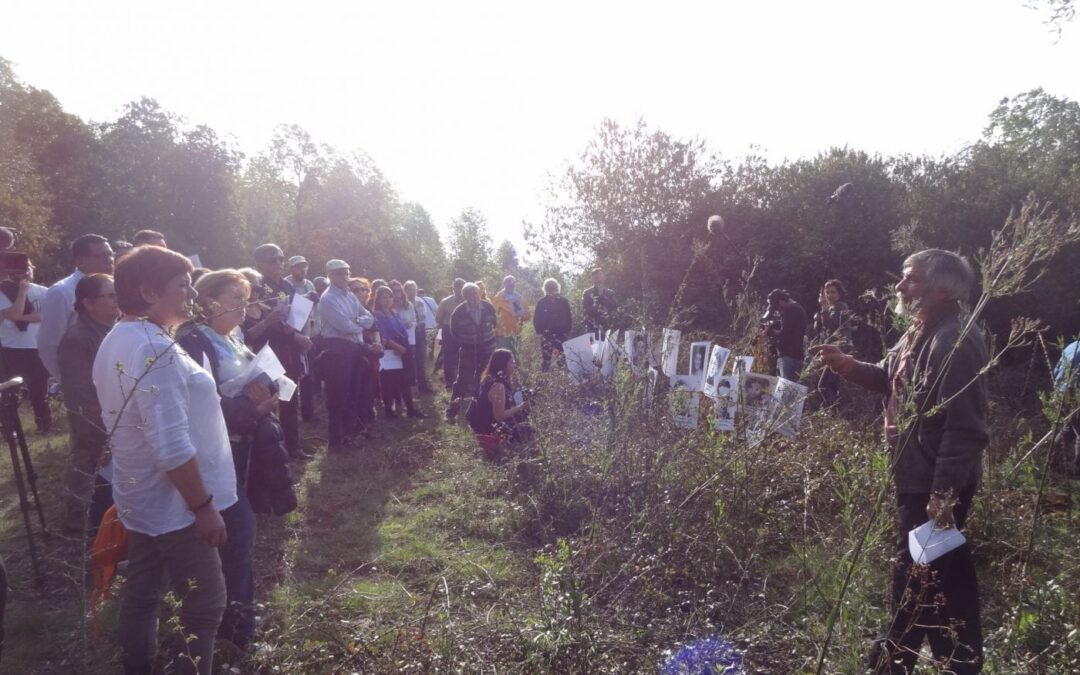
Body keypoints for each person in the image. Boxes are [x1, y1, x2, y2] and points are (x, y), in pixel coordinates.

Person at [813, 249, 988, 675]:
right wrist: (849, 365)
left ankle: (908, 663)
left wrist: (942, 494)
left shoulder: (954, 341)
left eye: (910, 279)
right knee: (929, 577)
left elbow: (964, 429)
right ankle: (932, 661)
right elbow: (890, 376)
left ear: (941, 289)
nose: (899, 286)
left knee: (920, 579)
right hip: (916, 477)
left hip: (934, 483)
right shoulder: (919, 332)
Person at [92, 246, 235, 675]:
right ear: (149, 292)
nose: (192, 292)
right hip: (177, 504)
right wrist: (204, 508)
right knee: (206, 604)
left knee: (143, 591)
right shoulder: (156, 350)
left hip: (141, 494)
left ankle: (138, 666)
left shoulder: (120, 337)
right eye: (182, 285)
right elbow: (170, 445)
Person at [177, 269, 297, 648]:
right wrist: (253, 406)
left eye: (246, 297)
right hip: (217, 449)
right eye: (235, 297)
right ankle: (234, 624)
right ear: (210, 300)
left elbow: (254, 380)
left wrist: (269, 393)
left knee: (240, 532)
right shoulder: (194, 340)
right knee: (239, 530)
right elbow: (202, 404)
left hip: (246, 446)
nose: (244, 305)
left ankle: (236, 611)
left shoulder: (235, 336)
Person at [57, 274, 119, 534]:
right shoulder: (78, 339)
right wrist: (98, 439)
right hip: (95, 427)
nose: (119, 300)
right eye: (112, 295)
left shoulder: (111, 328)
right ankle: (80, 531)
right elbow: (80, 396)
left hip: (112, 419)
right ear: (89, 303)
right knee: (87, 475)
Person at [252, 244, 313, 461]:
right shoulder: (256, 287)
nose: (278, 263)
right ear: (259, 263)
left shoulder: (287, 286)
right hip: (269, 352)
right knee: (270, 399)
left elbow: (298, 314)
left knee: (289, 397)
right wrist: (295, 335)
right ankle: (273, 449)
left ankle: (293, 446)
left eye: (280, 259)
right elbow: (260, 322)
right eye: (272, 260)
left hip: (290, 351)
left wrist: (300, 333)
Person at [37, 233, 114, 380]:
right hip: (80, 379)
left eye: (110, 254)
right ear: (80, 261)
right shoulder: (62, 292)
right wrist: (66, 381)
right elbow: (49, 344)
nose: (109, 260)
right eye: (101, 256)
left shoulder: (114, 287)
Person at [316, 260, 373, 453]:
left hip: (354, 349)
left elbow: (369, 317)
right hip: (337, 350)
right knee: (338, 396)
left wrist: (356, 321)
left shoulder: (349, 296)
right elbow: (344, 326)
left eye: (347, 272)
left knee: (353, 393)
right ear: (330, 275)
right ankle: (336, 440)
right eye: (340, 273)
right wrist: (359, 323)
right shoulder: (328, 298)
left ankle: (349, 434)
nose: (345, 276)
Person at [0, 262, 51, 432]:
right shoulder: (3, 290)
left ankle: (44, 425)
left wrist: (21, 317)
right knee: (11, 391)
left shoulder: (43, 291)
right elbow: (14, 314)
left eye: (28, 268)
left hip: (36, 345)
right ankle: (10, 429)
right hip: (13, 347)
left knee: (40, 390)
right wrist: (21, 291)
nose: (25, 272)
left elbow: (48, 315)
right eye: (20, 269)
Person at [446, 283, 497, 422]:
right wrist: (466, 341)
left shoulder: (488, 307)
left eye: (476, 293)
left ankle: (482, 410)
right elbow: (454, 332)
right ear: (465, 296)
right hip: (468, 349)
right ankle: (452, 410)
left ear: (480, 293)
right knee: (463, 379)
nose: (474, 296)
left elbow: (495, 324)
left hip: (487, 349)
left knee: (486, 377)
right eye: (470, 294)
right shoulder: (458, 312)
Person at [373, 286, 424, 418]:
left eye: (389, 296)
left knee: (405, 380)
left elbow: (402, 330)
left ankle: (411, 409)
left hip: (402, 349)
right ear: (378, 299)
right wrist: (397, 347)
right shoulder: (377, 315)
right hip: (390, 351)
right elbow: (382, 334)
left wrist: (404, 347)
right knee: (387, 382)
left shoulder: (394, 313)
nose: (388, 300)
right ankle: (389, 411)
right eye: (384, 297)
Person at [469, 349, 533, 444]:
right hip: (491, 432)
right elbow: (499, 416)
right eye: (512, 362)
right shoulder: (499, 386)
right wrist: (521, 406)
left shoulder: (488, 379)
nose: (514, 365)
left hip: (485, 426)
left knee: (521, 393)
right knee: (528, 429)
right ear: (503, 364)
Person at [814, 279, 851, 405]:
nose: (829, 295)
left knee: (823, 386)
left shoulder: (839, 307)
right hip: (831, 350)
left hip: (838, 350)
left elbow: (832, 327)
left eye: (833, 292)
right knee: (833, 386)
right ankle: (835, 415)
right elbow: (820, 330)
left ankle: (834, 412)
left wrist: (824, 308)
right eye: (827, 292)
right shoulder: (831, 308)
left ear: (839, 294)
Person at [765, 288, 807, 382]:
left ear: (781, 302)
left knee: (785, 388)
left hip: (789, 357)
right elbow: (790, 328)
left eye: (777, 307)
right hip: (794, 356)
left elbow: (785, 335)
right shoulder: (796, 308)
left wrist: (770, 331)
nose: (778, 311)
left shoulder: (791, 310)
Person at [1053, 336, 1080, 476]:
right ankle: (1076, 471)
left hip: (1062, 393)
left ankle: (1051, 461)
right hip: (1076, 394)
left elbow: (1057, 371)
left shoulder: (1071, 346)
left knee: (1069, 428)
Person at [533, 278, 573, 372]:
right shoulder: (541, 302)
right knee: (546, 360)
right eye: (549, 289)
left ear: (557, 288)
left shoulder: (563, 301)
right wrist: (541, 333)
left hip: (561, 334)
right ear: (546, 289)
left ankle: (562, 379)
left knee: (562, 359)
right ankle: (544, 379)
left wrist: (567, 331)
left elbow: (568, 318)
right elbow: (537, 319)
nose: (551, 291)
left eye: (553, 288)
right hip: (546, 334)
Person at [435, 278, 466, 390]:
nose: (458, 289)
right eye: (456, 287)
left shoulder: (468, 302)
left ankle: (463, 381)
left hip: (464, 332)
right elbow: (438, 318)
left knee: (464, 357)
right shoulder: (446, 302)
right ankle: (449, 383)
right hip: (448, 330)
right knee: (449, 357)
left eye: (461, 287)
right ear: (453, 288)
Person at [405, 280, 433, 393]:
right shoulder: (403, 303)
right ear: (405, 291)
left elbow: (422, 318)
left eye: (414, 289)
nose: (412, 292)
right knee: (410, 359)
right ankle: (411, 385)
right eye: (409, 289)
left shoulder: (420, 302)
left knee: (421, 359)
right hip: (408, 334)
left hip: (420, 332)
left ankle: (422, 385)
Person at [492, 275, 531, 352]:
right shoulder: (497, 298)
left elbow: (528, 315)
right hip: (502, 334)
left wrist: (522, 315)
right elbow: (492, 316)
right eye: (508, 282)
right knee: (503, 357)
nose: (510, 284)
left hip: (516, 333)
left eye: (512, 283)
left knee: (516, 358)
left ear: (515, 284)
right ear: (504, 284)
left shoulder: (520, 298)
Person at [582, 267, 618, 340]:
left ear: (604, 277)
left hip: (608, 326)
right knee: (594, 350)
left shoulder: (610, 293)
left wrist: (602, 296)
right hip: (592, 326)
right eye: (596, 278)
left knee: (609, 350)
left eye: (600, 277)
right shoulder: (587, 293)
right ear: (592, 279)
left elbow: (614, 307)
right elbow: (585, 311)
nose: (598, 280)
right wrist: (595, 306)